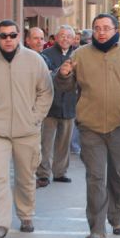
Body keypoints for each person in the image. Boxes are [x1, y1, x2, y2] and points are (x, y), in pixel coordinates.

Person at [55, 13, 120, 238]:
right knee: (95, 177)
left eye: (106, 28)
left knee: (117, 177)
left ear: (115, 30)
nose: (101, 32)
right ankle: (97, 228)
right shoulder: (79, 54)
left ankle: (116, 216)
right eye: (97, 28)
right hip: (90, 127)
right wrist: (63, 75)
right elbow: (65, 86)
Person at [0, 19, 54, 238]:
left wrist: (35, 117)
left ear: (19, 37)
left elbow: (46, 91)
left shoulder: (35, 61)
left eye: (12, 35)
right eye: (4, 36)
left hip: (27, 131)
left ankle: (26, 214)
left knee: (26, 178)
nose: (8, 39)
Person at [36, 25, 77, 188]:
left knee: (64, 143)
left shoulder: (78, 55)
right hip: (50, 106)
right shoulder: (46, 55)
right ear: (56, 38)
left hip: (69, 105)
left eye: (68, 36)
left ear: (73, 39)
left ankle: (60, 172)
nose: (65, 39)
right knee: (46, 143)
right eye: (62, 35)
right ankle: (43, 174)